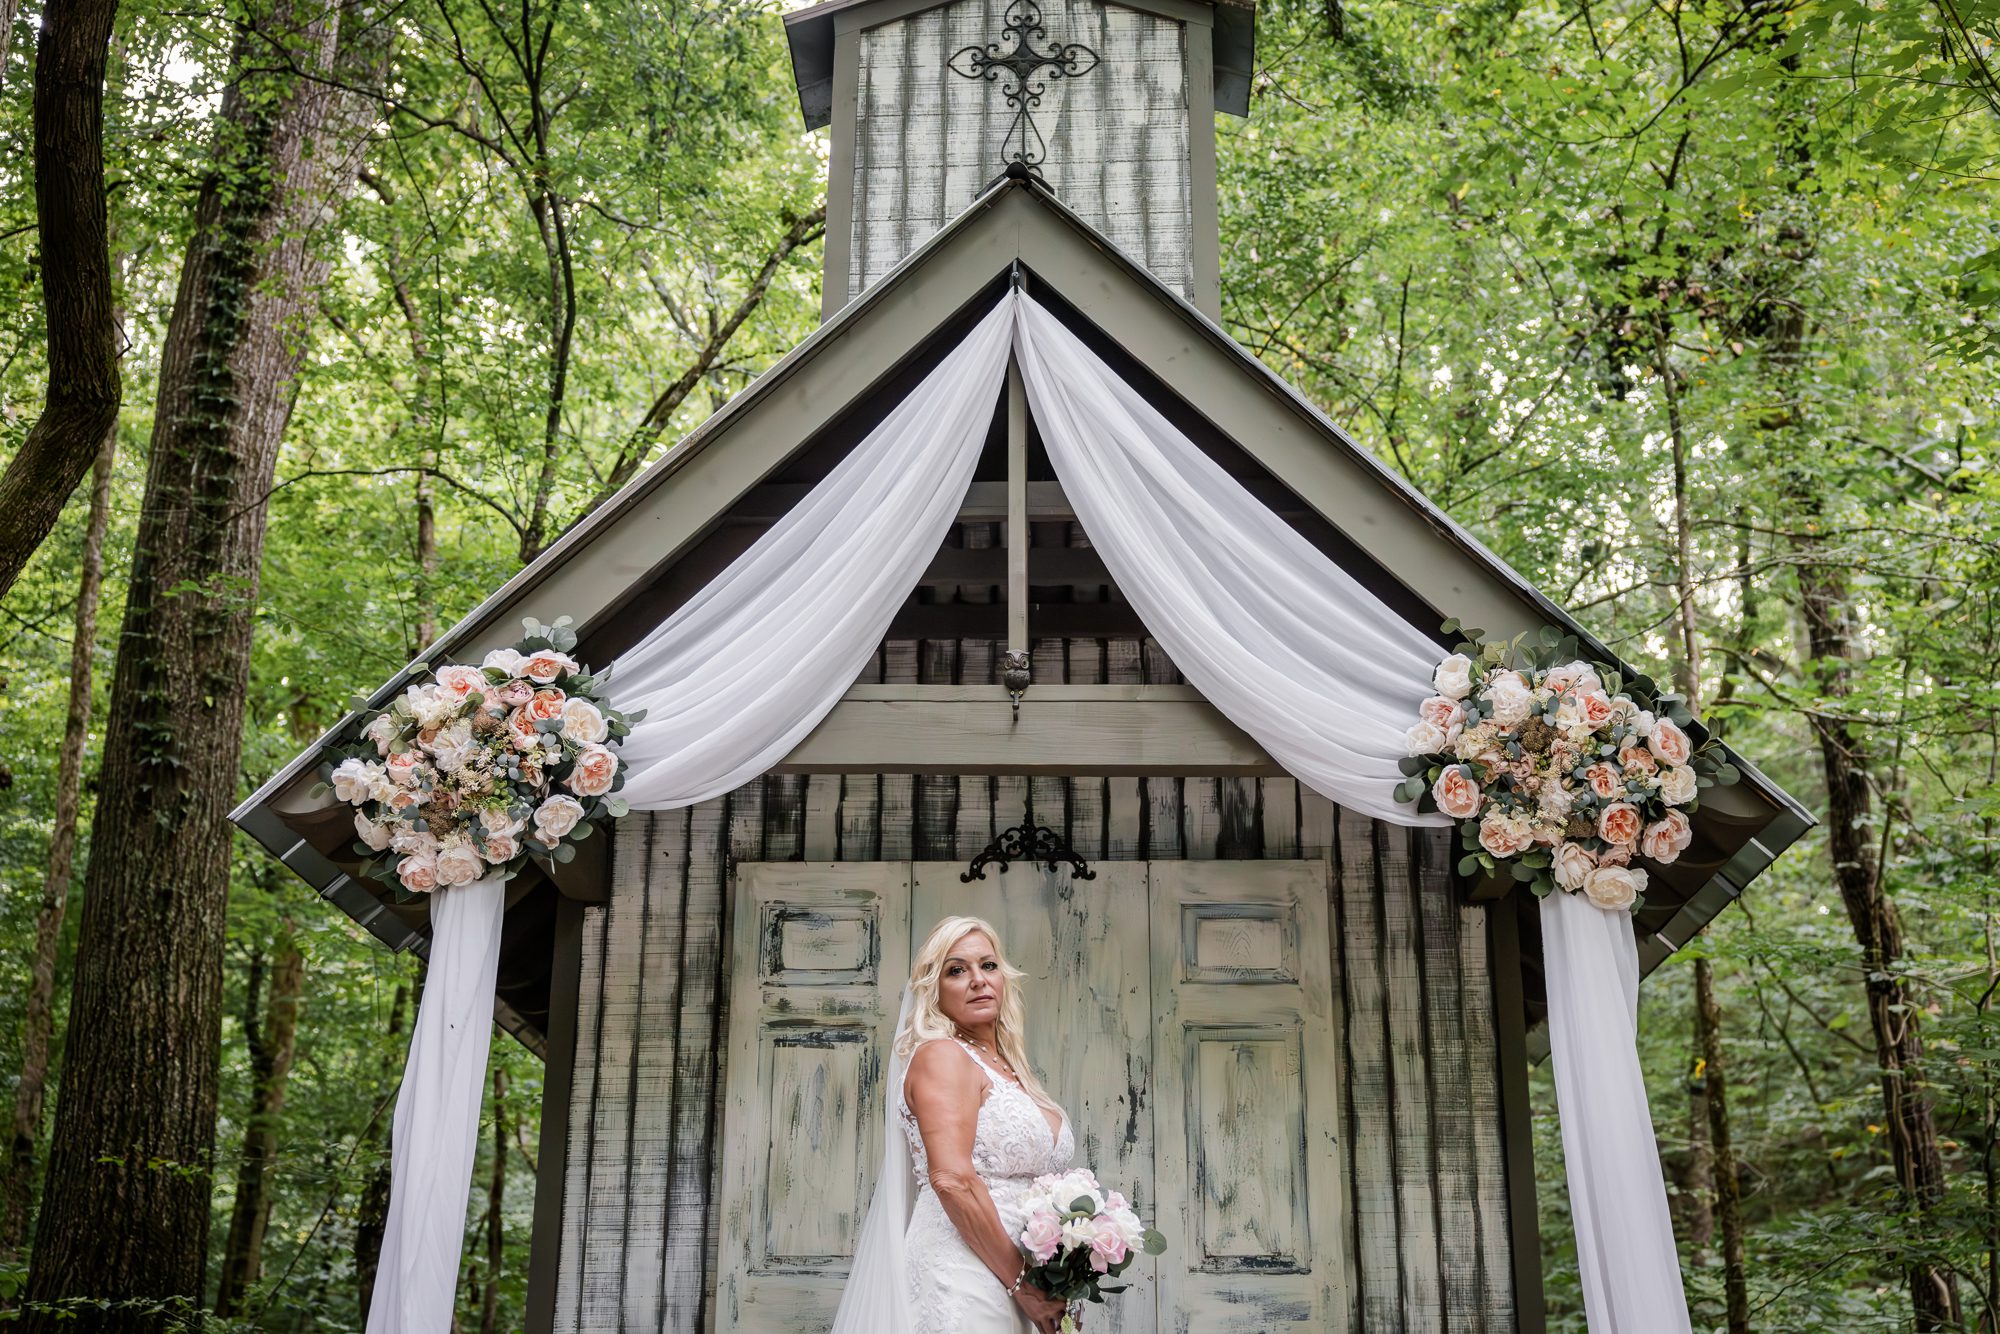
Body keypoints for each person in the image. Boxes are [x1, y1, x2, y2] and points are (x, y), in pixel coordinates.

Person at [830, 915, 1078, 1334]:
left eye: (989, 965)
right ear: (933, 992)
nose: (978, 979)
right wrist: (1025, 1287)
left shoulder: (1010, 1069)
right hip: (964, 1275)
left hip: (1023, 1279)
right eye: (957, 970)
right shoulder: (942, 1055)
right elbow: (951, 1180)